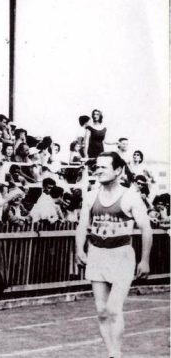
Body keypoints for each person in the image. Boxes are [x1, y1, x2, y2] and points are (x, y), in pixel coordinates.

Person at [75, 152, 152, 358]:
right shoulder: (91, 196)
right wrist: (79, 249)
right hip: (97, 254)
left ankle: (116, 354)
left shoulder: (130, 197)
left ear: (118, 170)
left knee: (113, 309)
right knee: (101, 311)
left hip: (122, 255)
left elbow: (146, 228)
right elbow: (83, 224)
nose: (98, 170)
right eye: (96, 167)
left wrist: (144, 260)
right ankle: (111, 353)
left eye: (103, 167)